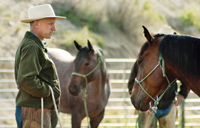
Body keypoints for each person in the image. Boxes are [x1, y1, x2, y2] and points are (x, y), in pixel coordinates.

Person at [14, 4, 66, 128]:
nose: (54, 28)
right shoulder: (32, 46)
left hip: (36, 109)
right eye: (50, 24)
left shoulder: (34, 44)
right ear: (36, 23)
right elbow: (26, 79)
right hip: (34, 112)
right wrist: (48, 91)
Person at [128, 60, 190, 128]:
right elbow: (132, 83)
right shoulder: (145, 58)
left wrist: (182, 94)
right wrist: (142, 102)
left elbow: (186, 76)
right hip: (147, 108)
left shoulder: (172, 59)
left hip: (169, 104)